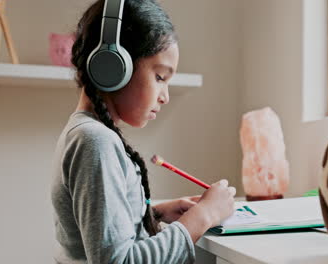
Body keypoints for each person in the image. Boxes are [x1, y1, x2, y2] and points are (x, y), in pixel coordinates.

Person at [50, 0, 236, 263]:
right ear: (114, 66)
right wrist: (202, 216)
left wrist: (155, 213)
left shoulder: (85, 133)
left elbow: (99, 232)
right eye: (160, 77)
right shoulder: (95, 141)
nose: (165, 97)